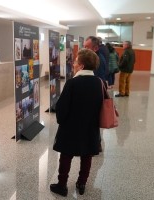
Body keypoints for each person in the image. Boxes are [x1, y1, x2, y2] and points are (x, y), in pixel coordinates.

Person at [50, 48, 104, 197]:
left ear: (81, 66)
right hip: (90, 127)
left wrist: (61, 120)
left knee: (66, 156)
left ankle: (62, 185)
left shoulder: (72, 83)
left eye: (75, 62)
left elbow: (62, 107)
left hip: (70, 127)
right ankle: (82, 183)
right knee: (87, 156)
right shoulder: (99, 83)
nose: (73, 64)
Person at [83, 36, 105, 152]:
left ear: (95, 48)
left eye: (87, 47)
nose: (84, 49)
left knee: (94, 120)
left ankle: (96, 144)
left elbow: (98, 80)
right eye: (84, 46)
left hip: (95, 95)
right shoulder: (93, 58)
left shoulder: (97, 61)